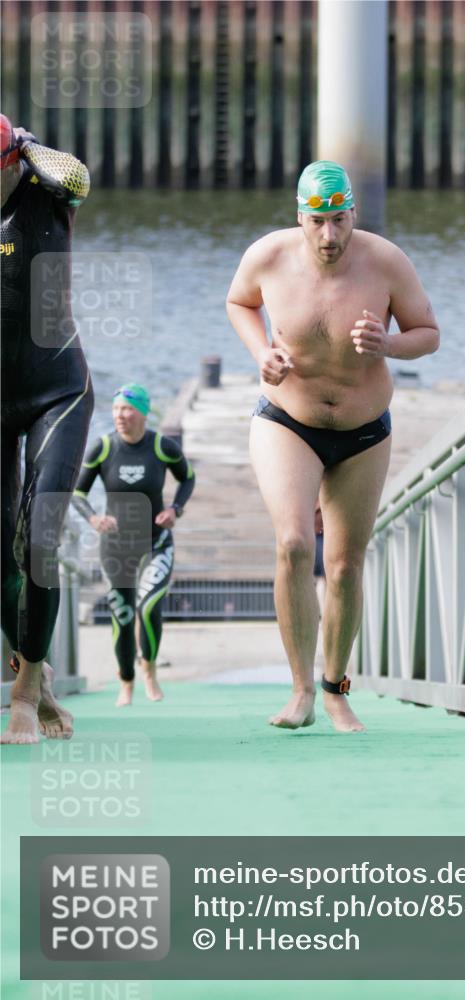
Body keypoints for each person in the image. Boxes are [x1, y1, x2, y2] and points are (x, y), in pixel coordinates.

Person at [226, 160, 439, 732]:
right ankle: (300, 691)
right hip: (287, 420)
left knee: (344, 568)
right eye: (318, 221)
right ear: (300, 217)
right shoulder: (268, 256)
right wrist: (261, 353)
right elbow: (239, 302)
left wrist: (388, 345)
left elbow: (429, 334)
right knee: (295, 544)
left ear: (353, 214)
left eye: (340, 220)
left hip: (363, 431)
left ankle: (335, 688)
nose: (329, 235)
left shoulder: (386, 262)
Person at [1, 114, 93, 744]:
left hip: (57, 391)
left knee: (39, 540)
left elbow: (76, 173)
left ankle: (26, 693)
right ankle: (40, 676)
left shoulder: (49, 190)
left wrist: (25, 144)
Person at [72, 384, 195, 707]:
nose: (120, 416)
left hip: (156, 543)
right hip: (115, 547)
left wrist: (175, 509)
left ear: (142, 412)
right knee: (123, 616)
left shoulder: (161, 447)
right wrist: (93, 518)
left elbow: (188, 477)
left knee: (149, 606)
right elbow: (78, 493)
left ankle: (149, 670)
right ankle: (125, 682)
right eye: (116, 409)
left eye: (127, 409)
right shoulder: (103, 448)